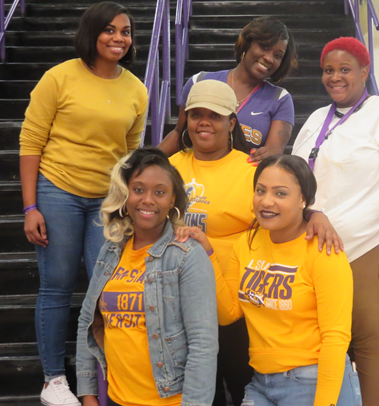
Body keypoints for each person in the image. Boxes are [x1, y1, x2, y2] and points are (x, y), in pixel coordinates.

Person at [169, 79, 344, 406]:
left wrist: (316, 214)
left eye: (215, 116)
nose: (204, 122)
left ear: (232, 122)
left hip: (240, 303)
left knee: (238, 382)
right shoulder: (171, 167)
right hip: (179, 301)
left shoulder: (251, 169)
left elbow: (284, 200)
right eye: (196, 115)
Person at [18, 2, 148, 404]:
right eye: (109, 30)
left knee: (106, 289)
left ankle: (103, 377)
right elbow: (30, 143)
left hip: (107, 201)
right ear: (91, 33)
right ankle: (54, 381)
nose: (118, 38)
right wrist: (29, 207)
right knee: (57, 288)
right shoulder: (59, 77)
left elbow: (130, 154)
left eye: (125, 31)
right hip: (58, 191)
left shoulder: (136, 89)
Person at [292, 37, 379, 406]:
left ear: (364, 72)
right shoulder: (316, 120)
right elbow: (296, 181)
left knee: (368, 338)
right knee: (322, 336)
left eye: (344, 70)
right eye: (328, 70)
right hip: (318, 246)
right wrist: (312, 212)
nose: (335, 78)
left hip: (374, 242)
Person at [176, 154, 361, 406]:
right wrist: (207, 251)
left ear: (303, 200)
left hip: (313, 380)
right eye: (260, 190)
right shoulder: (247, 243)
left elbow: (335, 337)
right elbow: (228, 313)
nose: (266, 201)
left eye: (280, 193)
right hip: (261, 383)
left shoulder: (323, 251)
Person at [76, 147, 218, 406]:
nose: (148, 200)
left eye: (160, 192)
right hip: (116, 399)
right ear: (125, 194)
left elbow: (203, 345)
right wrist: (88, 394)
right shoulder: (110, 250)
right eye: (139, 189)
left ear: (172, 199)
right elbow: (87, 320)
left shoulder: (186, 256)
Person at [159, 16, 297, 161]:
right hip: (196, 177)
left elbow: (275, 149)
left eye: (277, 55)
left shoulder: (280, 99)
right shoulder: (199, 82)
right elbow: (179, 134)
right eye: (264, 47)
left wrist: (267, 155)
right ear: (247, 43)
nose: (269, 58)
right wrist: (146, 159)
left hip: (242, 179)